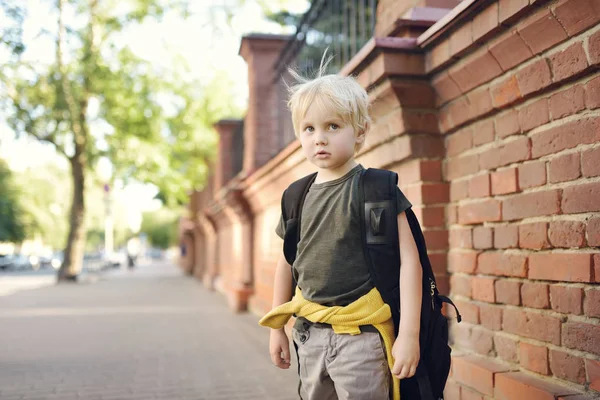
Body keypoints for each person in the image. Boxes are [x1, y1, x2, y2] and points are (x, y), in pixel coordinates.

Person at [259, 55, 423, 400]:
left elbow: (411, 263)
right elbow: (287, 263)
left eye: (333, 126)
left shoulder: (377, 190)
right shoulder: (295, 196)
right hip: (309, 335)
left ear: (359, 131)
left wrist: (409, 334)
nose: (320, 138)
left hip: (362, 339)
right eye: (309, 129)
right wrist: (278, 329)